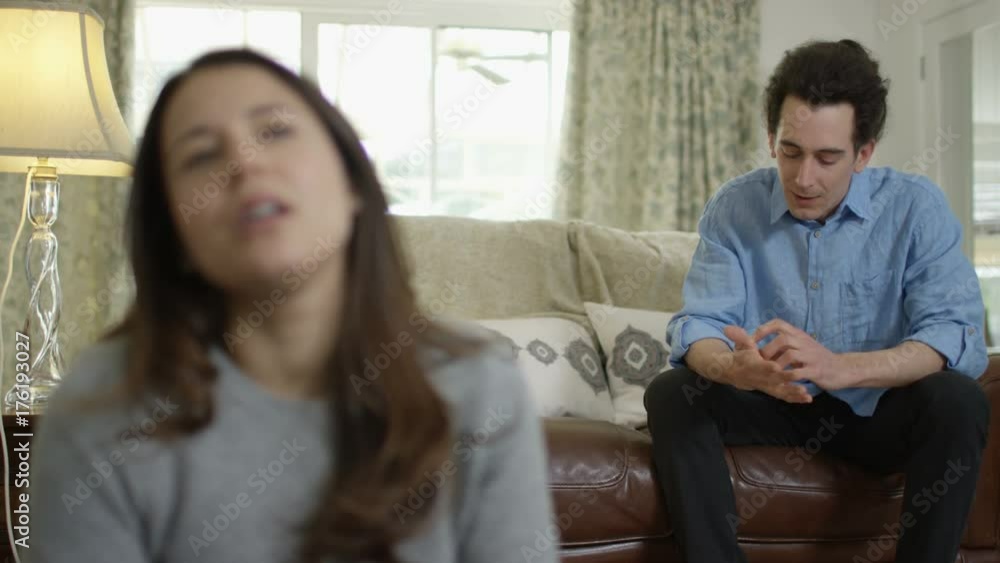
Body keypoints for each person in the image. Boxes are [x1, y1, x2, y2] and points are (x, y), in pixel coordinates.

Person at [30, 49, 557, 563]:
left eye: (276, 131)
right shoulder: (98, 412)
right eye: (201, 155)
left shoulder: (480, 383)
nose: (243, 162)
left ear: (352, 181)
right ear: (175, 237)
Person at [644, 39, 990, 563]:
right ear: (771, 138)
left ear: (865, 152)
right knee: (673, 393)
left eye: (828, 158)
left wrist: (840, 367)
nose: (805, 178)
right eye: (791, 152)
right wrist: (732, 368)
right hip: (771, 400)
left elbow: (954, 335)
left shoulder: (916, 208)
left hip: (877, 410)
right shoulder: (735, 206)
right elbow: (700, 322)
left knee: (959, 401)